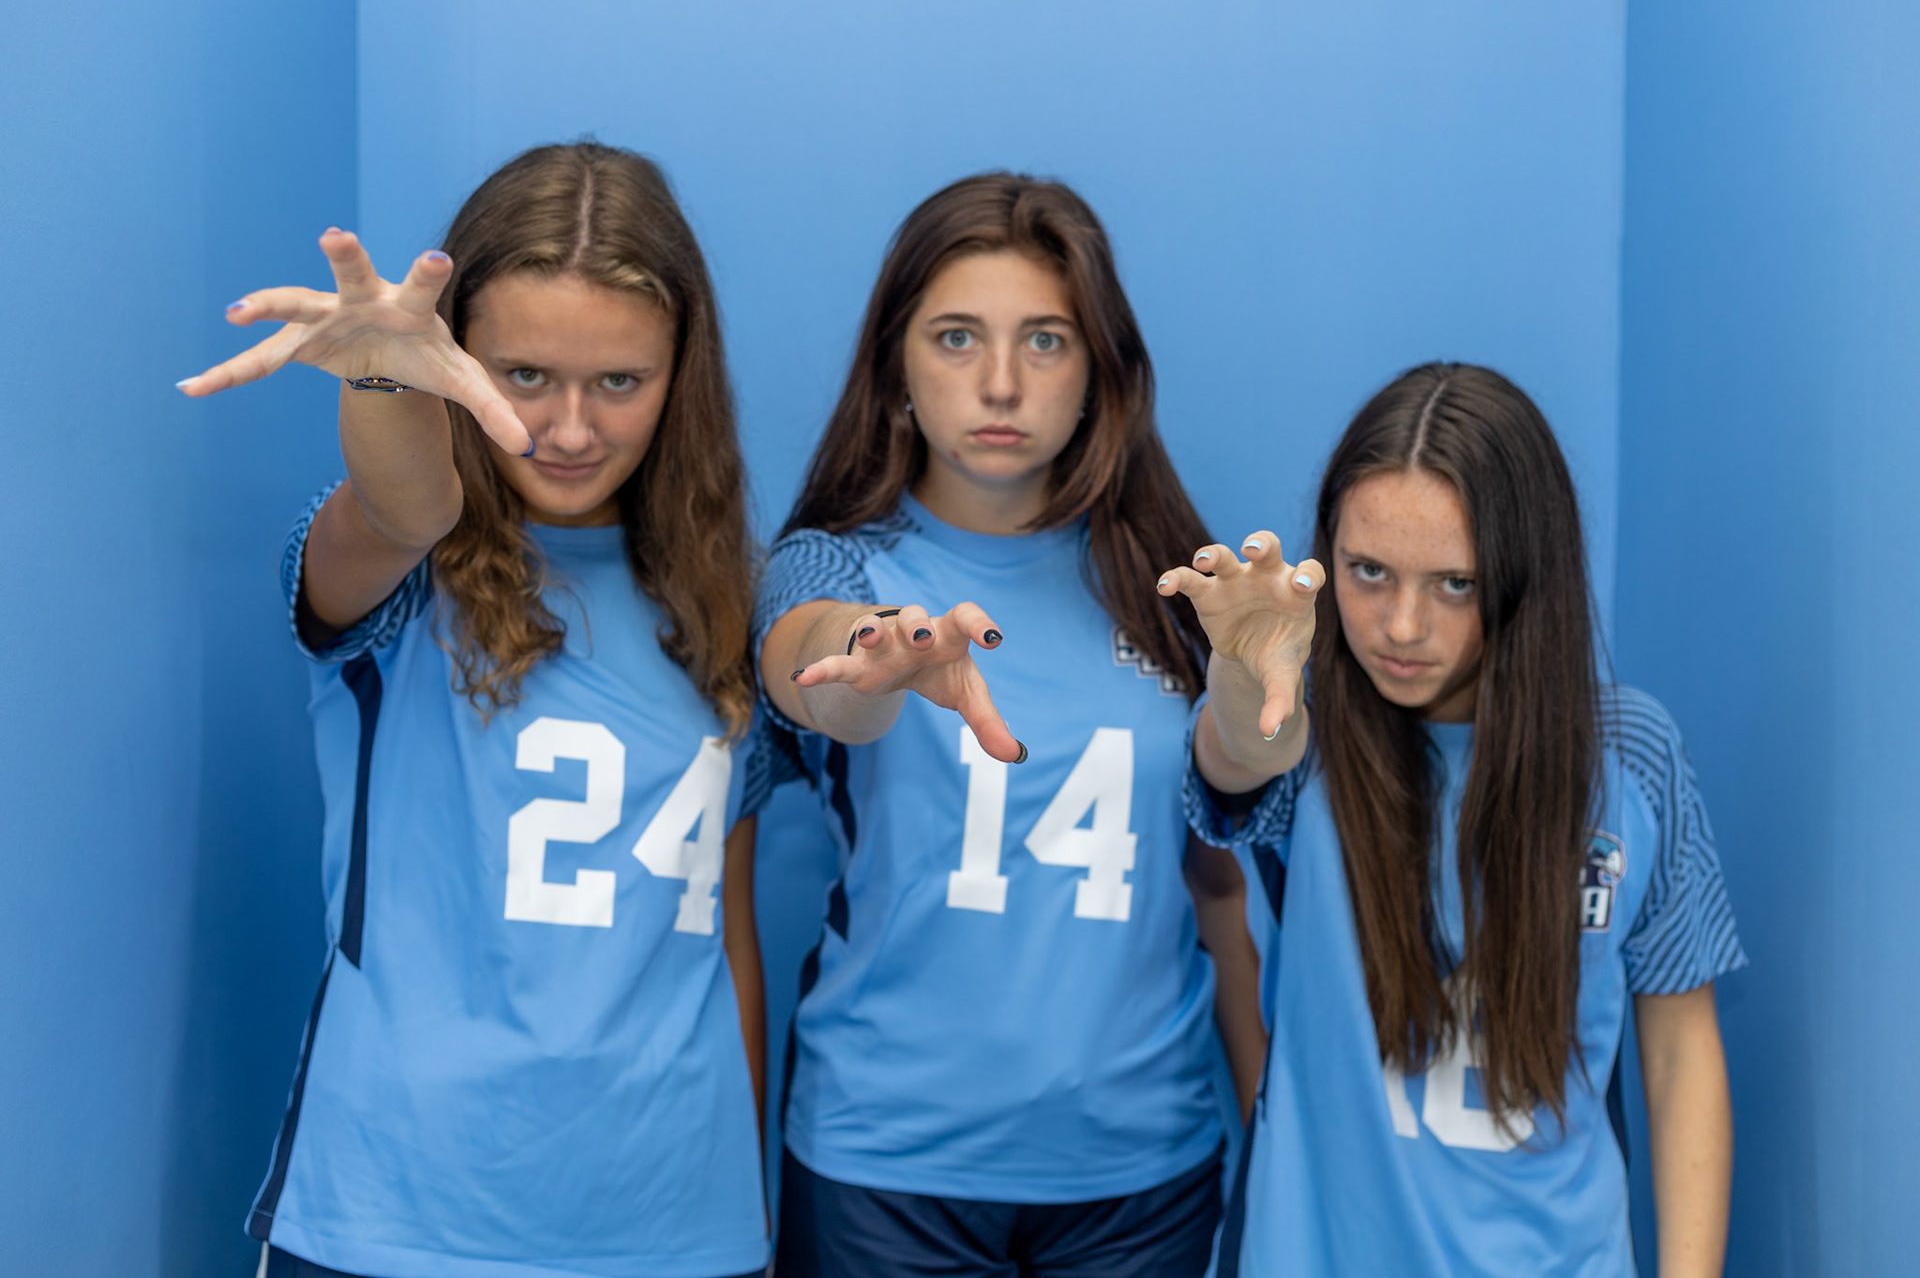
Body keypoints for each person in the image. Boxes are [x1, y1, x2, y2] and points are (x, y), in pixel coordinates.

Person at [178, 142, 775, 1278]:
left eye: (620, 382)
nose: (570, 430)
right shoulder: (401, 571)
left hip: (675, 1228)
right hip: (394, 1218)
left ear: (680, 375)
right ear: (455, 358)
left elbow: (728, 938)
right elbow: (401, 505)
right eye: (525, 374)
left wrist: (744, 1211)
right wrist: (382, 381)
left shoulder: (724, 600)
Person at [754, 172, 1261, 1278]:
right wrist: (876, 656)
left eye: (1044, 340)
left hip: (1141, 1178)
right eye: (956, 338)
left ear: (1099, 371)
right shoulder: (835, 564)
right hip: (883, 1170)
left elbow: (1217, 880)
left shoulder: (1178, 589)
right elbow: (816, 668)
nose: (999, 381)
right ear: (895, 365)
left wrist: (1271, 1122)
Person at [1167, 362, 1745, 1276]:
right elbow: (1240, 754)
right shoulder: (1306, 732)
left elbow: (1679, 1055)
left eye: (1455, 584)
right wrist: (1243, 673)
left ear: (1524, 575)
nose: (1401, 626)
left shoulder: (1631, 754)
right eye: (1368, 572)